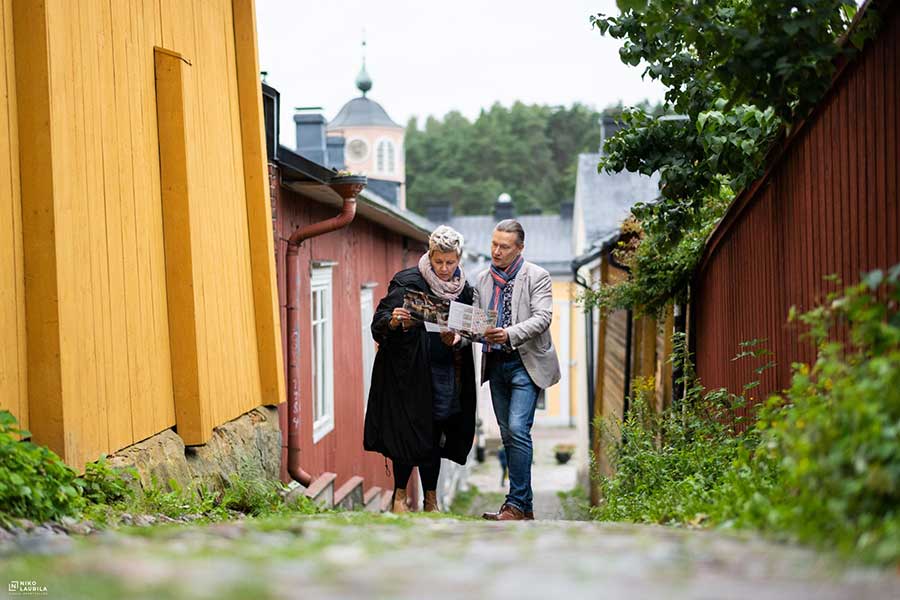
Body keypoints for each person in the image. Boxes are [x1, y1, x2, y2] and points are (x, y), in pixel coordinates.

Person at [364, 225, 477, 513]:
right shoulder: (407, 282)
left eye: (450, 262)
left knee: (436, 431)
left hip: (444, 370)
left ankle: (431, 500)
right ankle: (399, 497)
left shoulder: (465, 291)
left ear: (458, 258)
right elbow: (378, 323)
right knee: (407, 430)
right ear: (430, 255)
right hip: (408, 371)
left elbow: (471, 334)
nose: (444, 268)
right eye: (439, 261)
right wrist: (394, 321)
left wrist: (456, 339)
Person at [475, 219, 561, 521]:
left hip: (526, 362)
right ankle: (522, 507)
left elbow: (543, 317)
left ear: (520, 248)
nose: (496, 251)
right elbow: (477, 324)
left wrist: (509, 334)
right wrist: (459, 336)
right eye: (494, 244)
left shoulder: (537, 276)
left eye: (504, 246)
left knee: (517, 428)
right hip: (496, 363)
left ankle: (515, 505)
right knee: (508, 435)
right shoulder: (482, 279)